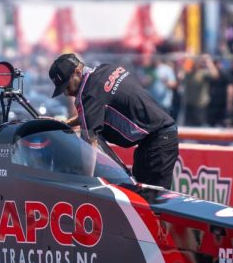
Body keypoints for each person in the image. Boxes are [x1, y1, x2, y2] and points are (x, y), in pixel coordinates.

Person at [49, 52, 177, 187]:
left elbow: (89, 143)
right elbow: (93, 113)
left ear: (78, 72)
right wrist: (67, 123)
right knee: (138, 196)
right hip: (156, 138)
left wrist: (86, 184)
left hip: (158, 141)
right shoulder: (106, 69)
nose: (66, 93)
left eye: (67, 86)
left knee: (150, 203)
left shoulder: (89, 93)